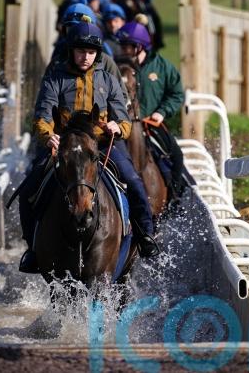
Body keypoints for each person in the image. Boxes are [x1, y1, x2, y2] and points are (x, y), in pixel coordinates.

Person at [17, 22, 160, 273]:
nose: (86, 57)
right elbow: (42, 116)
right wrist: (48, 136)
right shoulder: (55, 78)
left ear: (98, 54)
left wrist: (118, 127)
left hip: (102, 145)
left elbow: (124, 119)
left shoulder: (109, 80)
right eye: (81, 51)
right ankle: (32, 250)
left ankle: (145, 236)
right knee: (28, 188)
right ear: (71, 51)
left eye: (91, 52)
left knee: (134, 182)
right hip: (64, 146)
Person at [116, 21, 189, 199]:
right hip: (121, 125)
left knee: (177, 156)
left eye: (128, 46)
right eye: (122, 46)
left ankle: (174, 199)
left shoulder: (162, 67)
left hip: (151, 124)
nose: (124, 50)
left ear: (140, 46)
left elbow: (177, 94)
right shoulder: (116, 67)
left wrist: (162, 112)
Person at [50, 2, 128, 100]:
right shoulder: (58, 58)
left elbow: (121, 96)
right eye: (70, 29)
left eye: (80, 29)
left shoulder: (106, 61)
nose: (75, 35)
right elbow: (47, 95)